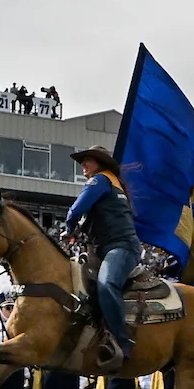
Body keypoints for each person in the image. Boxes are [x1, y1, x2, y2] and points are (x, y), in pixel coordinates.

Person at [65, 147, 145, 368]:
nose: (84, 165)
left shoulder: (100, 180)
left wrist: (69, 226)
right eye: (83, 161)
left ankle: (122, 340)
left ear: (99, 163)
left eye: (88, 161)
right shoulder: (113, 183)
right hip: (104, 249)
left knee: (106, 283)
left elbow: (76, 209)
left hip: (121, 247)